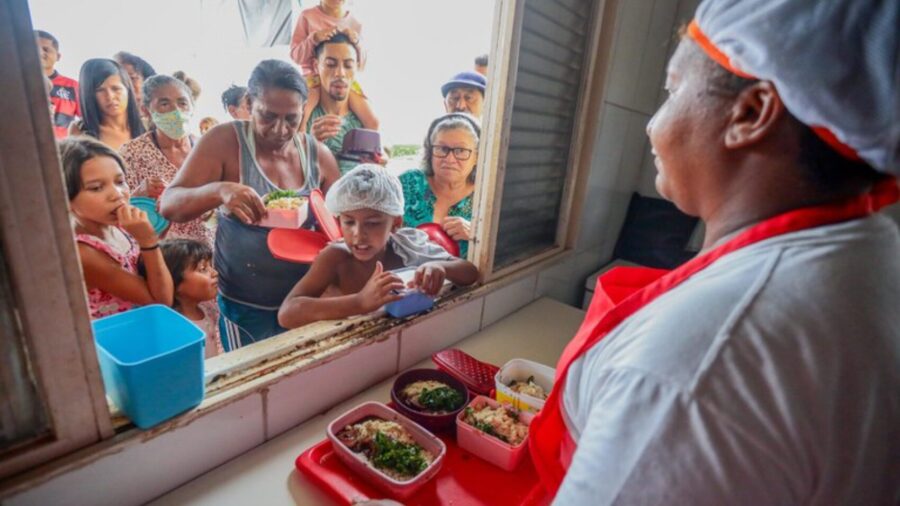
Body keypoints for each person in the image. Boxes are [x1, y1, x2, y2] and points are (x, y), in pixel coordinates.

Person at [530, 1, 900, 504]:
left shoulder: (695, 371)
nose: (651, 124)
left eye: (672, 89)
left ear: (751, 113)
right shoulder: (870, 251)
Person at [160, 59, 340, 351]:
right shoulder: (226, 142)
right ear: (248, 102)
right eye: (268, 116)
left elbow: (341, 222)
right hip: (245, 306)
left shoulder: (317, 155)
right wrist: (220, 190)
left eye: (291, 119)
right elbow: (169, 203)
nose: (280, 129)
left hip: (306, 303)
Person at [278, 164, 479, 329]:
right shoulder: (336, 258)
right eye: (348, 222)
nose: (358, 234)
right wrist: (359, 302)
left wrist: (440, 267)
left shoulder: (407, 247)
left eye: (372, 223)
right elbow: (287, 313)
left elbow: (471, 273)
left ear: (396, 224)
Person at [60, 136, 173, 319]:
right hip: (115, 341)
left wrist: (157, 233)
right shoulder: (82, 252)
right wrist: (148, 241)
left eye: (120, 182)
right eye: (97, 188)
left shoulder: (117, 226)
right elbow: (160, 301)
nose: (117, 194)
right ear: (65, 197)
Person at [120, 74, 212, 246]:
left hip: (209, 252)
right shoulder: (132, 153)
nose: (175, 111)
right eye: (164, 104)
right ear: (146, 110)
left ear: (192, 106)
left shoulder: (206, 148)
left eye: (182, 103)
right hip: (164, 253)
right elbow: (118, 211)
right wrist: (137, 195)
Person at [289, 0, 378, 133]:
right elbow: (295, 55)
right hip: (312, 78)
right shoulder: (307, 16)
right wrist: (314, 38)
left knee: (373, 121)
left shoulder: (355, 23)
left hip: (347, 83)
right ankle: (302, 141)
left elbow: (361, 65)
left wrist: (358, 43)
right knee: (301, 116)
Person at [400, 113, 480, 258]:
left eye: (461, 150)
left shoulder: (485, 198)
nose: (450, 159)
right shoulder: (408, 183)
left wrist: (477, 233)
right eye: (442, 149)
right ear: (430, 152)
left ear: (477, 157)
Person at [141, 239, 221, 358]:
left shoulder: (208, 307)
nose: (214, 273)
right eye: (203, 269)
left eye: (211, 266)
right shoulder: (171, 327)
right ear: (173, 282)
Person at [306, 32, 370, 175]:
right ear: (316, 66)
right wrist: (312, 144)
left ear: (357, 67)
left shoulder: (364, 121)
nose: (340, 73)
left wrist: (378, 164)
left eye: (348, 65)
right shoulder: (300, 117)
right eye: (330, 64)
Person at [69, 58, 145, 150]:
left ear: (127, 89)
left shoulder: (148, 126)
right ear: (89, 94)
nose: (110, 96)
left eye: (116, 88)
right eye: (100, 90)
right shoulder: (81, 131)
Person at [35, 30, 79, 139]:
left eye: (46, 49)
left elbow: (88, 120)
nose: (39, 53)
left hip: (62, 150)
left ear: (58, 56)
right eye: (33, 48)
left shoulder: (73, 86)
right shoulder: (14, 86)